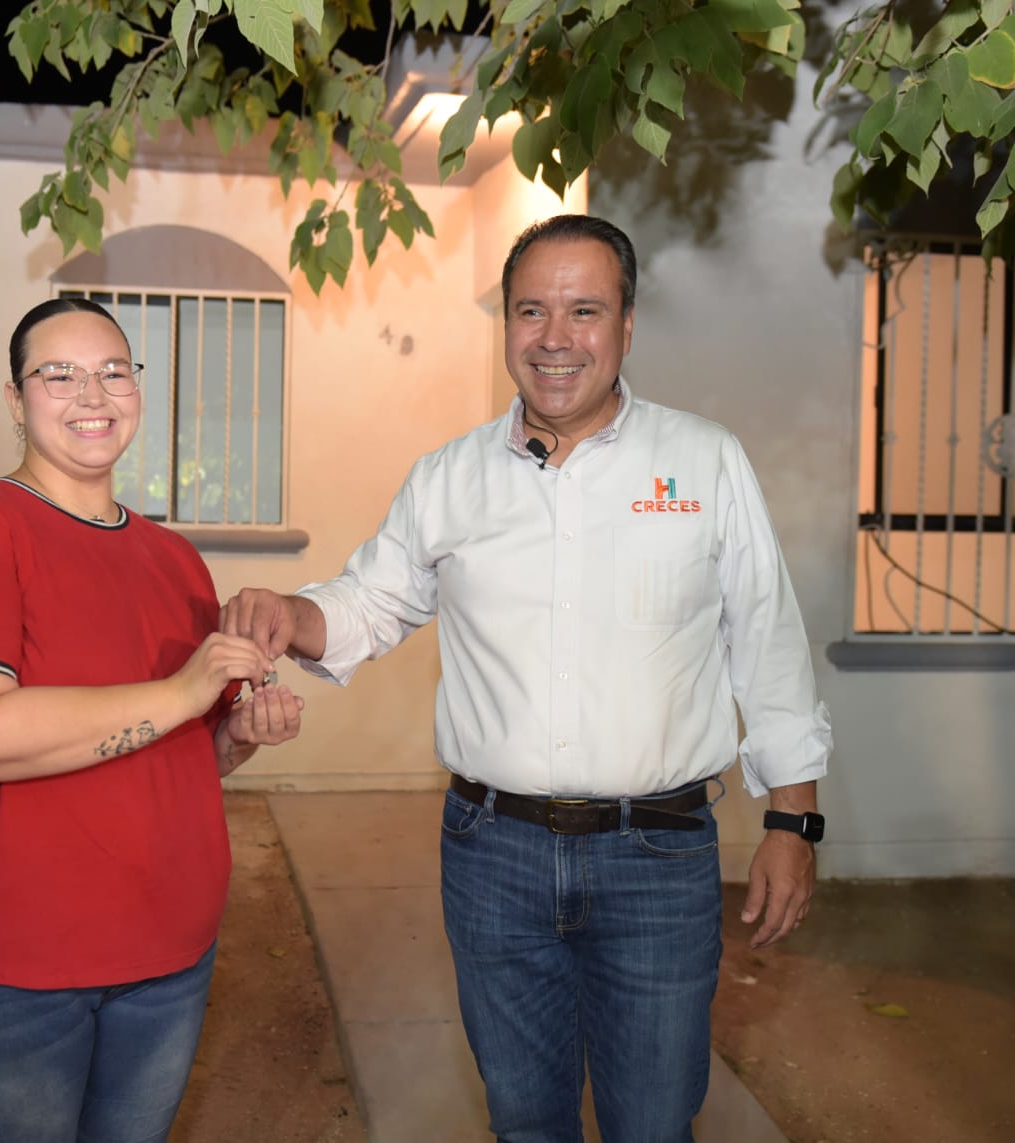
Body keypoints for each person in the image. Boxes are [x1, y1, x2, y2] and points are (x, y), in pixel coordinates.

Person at [223, 215, 832, 1141]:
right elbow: (370, 601)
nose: (554, 337)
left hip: (657, 854)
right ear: (505, 323)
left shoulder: (702, 462)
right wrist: (290, 613)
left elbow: (768, 641)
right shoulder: (450, 477)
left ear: (627, 326)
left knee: (652, 1123)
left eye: (584, 310)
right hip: (492, 854)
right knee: (523, 1120)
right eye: (530, 310)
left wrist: (792, 820)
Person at [0, 297, 305, 1143]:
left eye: (112, 372)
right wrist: (184, 691)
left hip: (165, 961)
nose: (90, 394)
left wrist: (233, 734)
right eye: (58, 374)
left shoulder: (173, 560)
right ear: (15, 397)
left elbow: (176, 754)